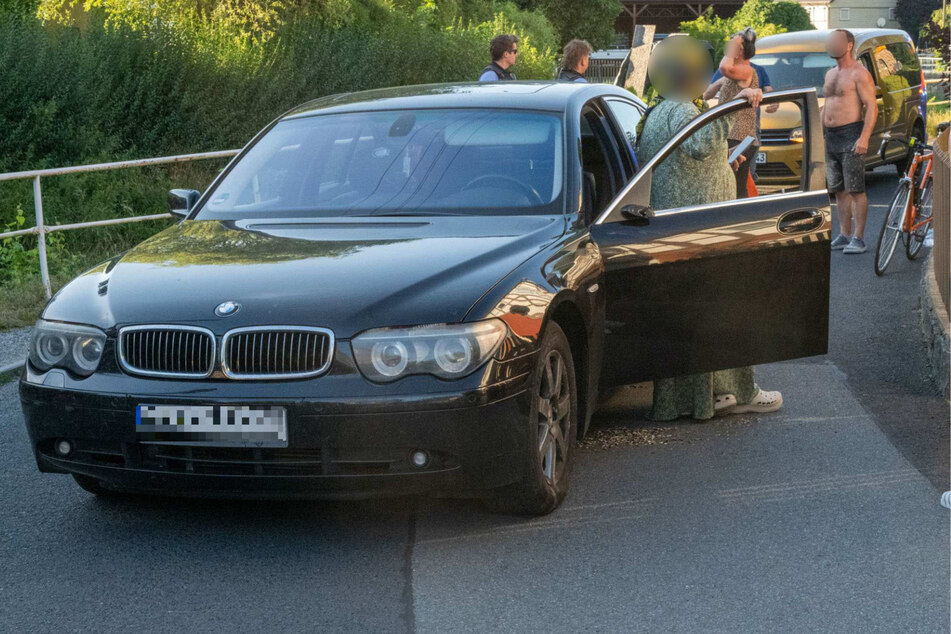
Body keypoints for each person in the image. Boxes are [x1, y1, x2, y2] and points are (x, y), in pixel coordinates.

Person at [636, 35, 783, 421]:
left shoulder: (658, 110)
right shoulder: (682, 110)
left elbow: (690, 157)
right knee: (721, 313)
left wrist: (724, 158)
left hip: (680, 225)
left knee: (693, 319)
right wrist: (738, 103)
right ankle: (741, 391)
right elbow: (702, 145)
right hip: (701, 227)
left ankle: (708, 396)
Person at [822, 29, 877, 254]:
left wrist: (864, 137)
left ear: (848, 45)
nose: (831, 45)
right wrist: (819, 132)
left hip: (851, 134)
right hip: (831, 137)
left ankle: (859, 238)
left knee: (855, 189)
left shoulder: (860, 73)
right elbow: (827, 104)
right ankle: (844, 234)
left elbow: (872, 107)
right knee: (839, 190)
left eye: (836, 41)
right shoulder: (829, 73)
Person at [713, 28, 761, 198]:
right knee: (730, 185)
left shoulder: (747, 71)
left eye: (733, 44)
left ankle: (743, 220)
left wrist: (735, 42)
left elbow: (724, 67)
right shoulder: (732, 75)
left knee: (737, 186)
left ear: (740, 50)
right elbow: (707, 94)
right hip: (729, 135)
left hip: (740, 137)